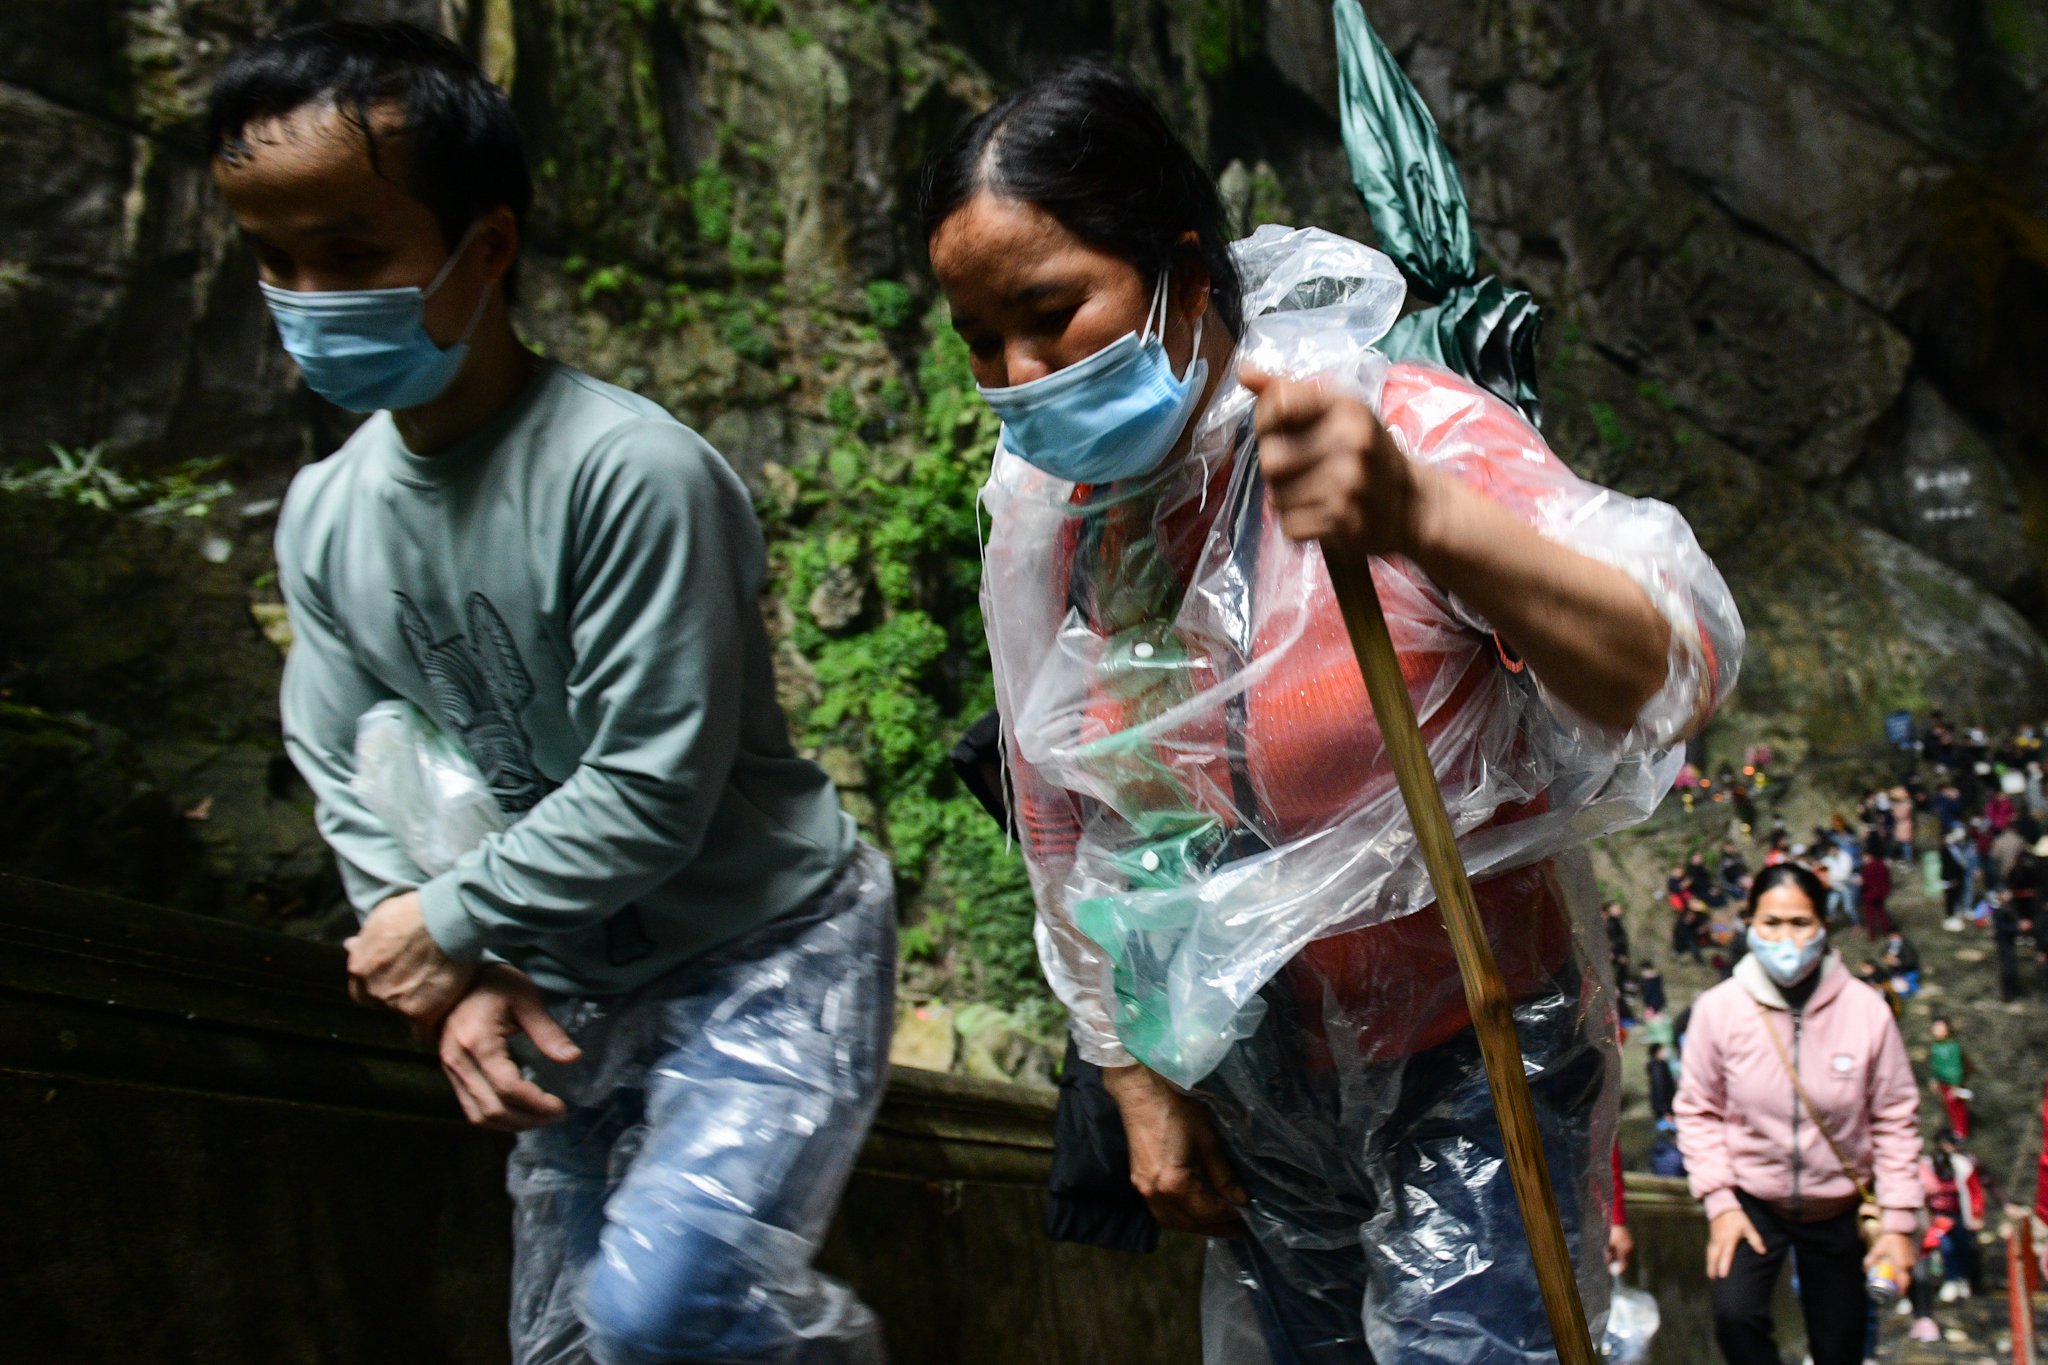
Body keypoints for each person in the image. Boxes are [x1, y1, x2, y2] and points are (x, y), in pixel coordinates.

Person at [921, 59, 1743, 1361]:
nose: (1016, 378)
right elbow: (1060, 828)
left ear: (1185, 274)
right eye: (979, 338)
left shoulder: (1387, 432)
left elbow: (1673, 658)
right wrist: (1133, 1079)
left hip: (1474, 1059)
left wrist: (1423, 516)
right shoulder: (1057, 539)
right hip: (1256, 1105)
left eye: (1048, 314)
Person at [210, 24, 892, 1363]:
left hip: (764, 948)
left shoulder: (629, 476)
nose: (305, 297)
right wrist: (450, 970)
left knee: (666, 1306)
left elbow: (651, 787)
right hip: (552, 977)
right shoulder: (324, 517)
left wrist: (453, 920)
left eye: (350, 255)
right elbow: (344, 762)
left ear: (488, 247)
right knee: (568, 1348)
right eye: (273, 260)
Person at [1673, 864, 1923, 1365]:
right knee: (1735, 1317)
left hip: (1839, 1205)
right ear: (1749, 924)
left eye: (1799, 923)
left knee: (1840, 1342)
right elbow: (1699, 1110)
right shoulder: (1719, 1010)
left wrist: (1897, 1221)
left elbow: (1894, 1116)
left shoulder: (1866, 1011)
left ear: (1823, 926)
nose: (1785, 938)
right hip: (1753, 1200)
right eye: (1771, 923)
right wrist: (1720, 1202)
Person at [1917, 1129, 1983, 1301]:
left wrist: (1976, 1214)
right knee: (1946, 1248)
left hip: (1959, 1213)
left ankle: (1962, 1279)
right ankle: (1951, 1279)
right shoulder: (1927, 1164)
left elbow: (1974, 1191)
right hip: (1937, 1215)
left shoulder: (1963, 1164)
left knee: (1963, 1247)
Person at [1927, 1016, 1971, 1138]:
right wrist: (1934, 1078)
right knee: (1949, 1107)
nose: (1937, 1031)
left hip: (1953, 1083)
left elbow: (1956, 1066)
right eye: (1935, 1028)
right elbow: (1935, 1064)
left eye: (1940, 1028)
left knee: (1957, 1107)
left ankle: (1961, 1133)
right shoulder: (1935, 1046)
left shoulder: (1953, 1046)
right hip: (1942, 1081)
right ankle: (1954, 1131)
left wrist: (1956, 1085)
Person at [1859, 845, 1895, 941]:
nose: (1862, 860)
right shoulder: (1881, 864)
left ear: (1868, 856)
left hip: (1870, 895)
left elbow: (1864, 882)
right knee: (1882, 912)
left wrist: (1858, 881)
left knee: (1870, 915)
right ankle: (1886, 930)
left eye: (1863, 857)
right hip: (1882, 893)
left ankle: (1872, 934)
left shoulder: (1868, 868)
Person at [1647, 1042, 1677, 1123]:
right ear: (1657, 1052)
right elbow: (1659, 1089)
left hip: (1666, 1106)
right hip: (1664, 1108)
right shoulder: (1657, 1068)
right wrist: (1665, 1111)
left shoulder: (1662, 1065)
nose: (1665, 1052)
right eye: (1663, 1050)